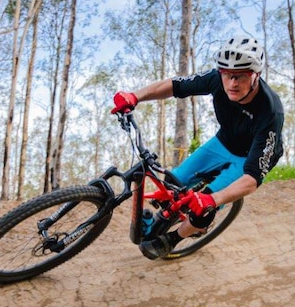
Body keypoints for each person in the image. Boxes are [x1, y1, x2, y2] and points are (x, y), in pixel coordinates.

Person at [111, 35, 284, 259]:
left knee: (204, 206)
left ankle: (174, 239)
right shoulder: (215, 79)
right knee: (173, 183)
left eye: (240, 76)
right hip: (223, 142)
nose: (232, 83)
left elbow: (252, 179)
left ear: (256, 75)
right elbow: (174, 86)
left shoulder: (270, 111)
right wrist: (135, 96)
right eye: (227, 74)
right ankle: (162, 219)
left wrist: (212, 200)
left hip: (248, 158)